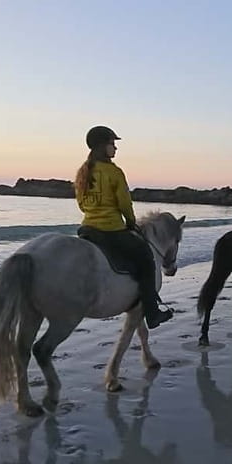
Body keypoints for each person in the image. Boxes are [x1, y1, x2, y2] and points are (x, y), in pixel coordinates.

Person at [73, 125, 173, 329]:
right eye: (112, 144)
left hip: (87, 229)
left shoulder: (83, 172)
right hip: (110, 230)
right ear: (102, 146)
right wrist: (130, 222)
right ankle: (152, 314)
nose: (115, 149)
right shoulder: (114, 172)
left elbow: (81, 204)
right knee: (146, 257)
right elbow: (125, 203)